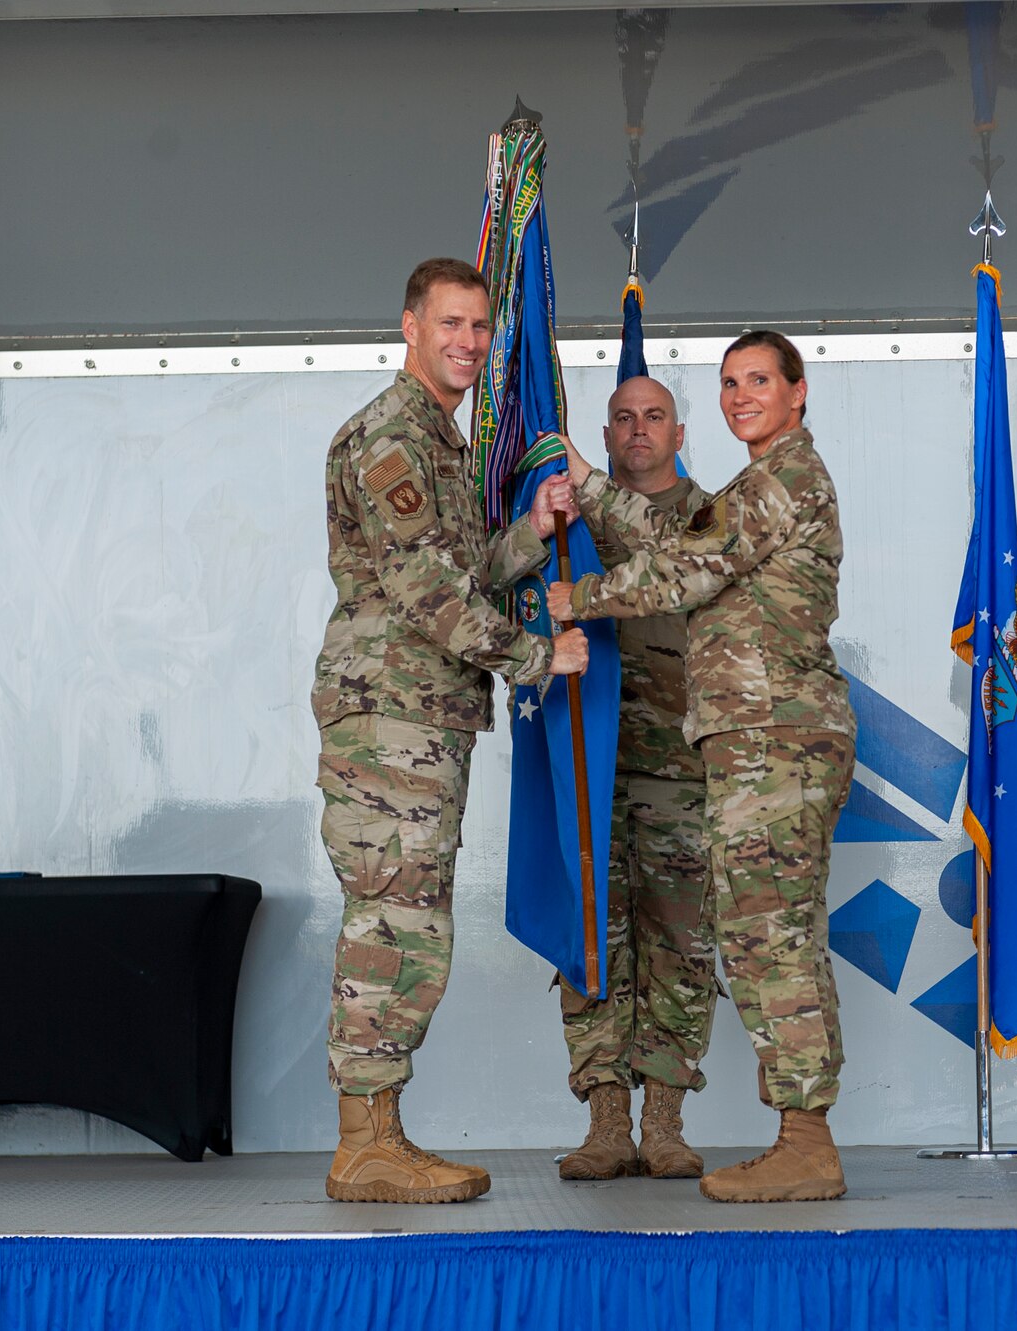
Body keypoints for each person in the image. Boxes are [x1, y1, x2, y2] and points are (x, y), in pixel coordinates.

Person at [545, 331, 856, 1204]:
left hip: (775, 739)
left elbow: (682, 563)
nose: (740, 395)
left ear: (798, 393)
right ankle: (802, 1136)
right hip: (758, 740)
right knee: (772, 936)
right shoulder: (760, 484)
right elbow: (673, 532)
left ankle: (805, 1142)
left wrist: (584, 597)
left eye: (759, 380)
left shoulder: (782, 478)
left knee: (771, 939)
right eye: (728, 382)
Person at [312, 257, 587, 1204]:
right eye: (451, 325)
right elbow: (429, 595)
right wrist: (535, 657)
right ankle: (365, 1145)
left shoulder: (441, 439)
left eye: (479, 327)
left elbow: (461, 569)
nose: (468, 342)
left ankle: (379, 1135)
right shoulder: (394, 434)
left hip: (420, 718)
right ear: (410, 327)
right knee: (394, 922)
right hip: (391, 721)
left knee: (407, 921)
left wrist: (528, 528)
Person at [515, 376, 719, 1181]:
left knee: (679, 942)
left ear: (678, 431)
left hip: (681, 768)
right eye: (624, 417)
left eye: (655, 417)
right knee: (591, 936)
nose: (640, 430)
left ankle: (664, 1119)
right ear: (604, 435)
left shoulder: (711, 517)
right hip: (588, 766)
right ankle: (606, 1119)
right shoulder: (567, 523)